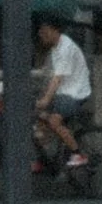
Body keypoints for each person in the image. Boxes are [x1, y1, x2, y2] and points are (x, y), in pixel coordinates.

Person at [33, 16, 94, 170]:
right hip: (63, 92)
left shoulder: (66, 47)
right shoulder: (55, 47)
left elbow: (57, 78)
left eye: (45, 32)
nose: (42, 35)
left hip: (75, 94)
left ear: (55, 31)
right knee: (39, 122)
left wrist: (46, 100)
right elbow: (50, 77)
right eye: (41, 32)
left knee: (53, 121)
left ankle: (78, 154)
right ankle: (43, 160)